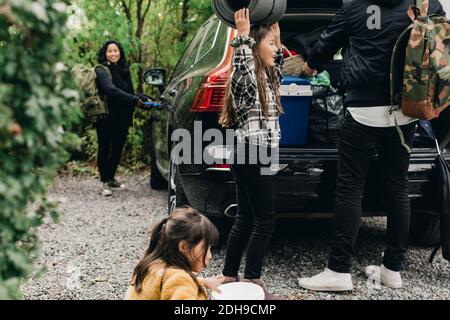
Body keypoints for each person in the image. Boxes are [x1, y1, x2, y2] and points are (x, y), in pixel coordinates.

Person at [299, 0, 446, 291]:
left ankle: (339, 270)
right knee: (398, 187)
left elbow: (326, 44)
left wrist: (309, 65)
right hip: (405, 110)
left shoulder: (354, 6)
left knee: (350, 187)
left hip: (363, 110)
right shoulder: (423, 4)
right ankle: (392, 269)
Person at [218, 8, 285, 300]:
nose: (275, 49)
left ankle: (229, 275)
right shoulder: (245, 81)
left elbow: (279, 62)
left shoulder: (268, 77)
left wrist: (276, 36)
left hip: (252, 153)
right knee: (265, 220)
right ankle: (253, 280)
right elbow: (242, 67)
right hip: (252, 153)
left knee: (245, 218)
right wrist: (242, 36)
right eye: (269, 44)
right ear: (255, 48)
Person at [124, 206, 224, 300]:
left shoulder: (152, 264)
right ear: (184, 247)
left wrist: (204, 282)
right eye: (206, 248)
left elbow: (172, 280)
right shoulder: (179, 280)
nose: (210, 255)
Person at [95, 40, 149, 196]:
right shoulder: (102, 70)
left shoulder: (124, 70)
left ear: (120, 52)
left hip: (122, 117)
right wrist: (134, 100)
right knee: (105, 147)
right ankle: (104, 182)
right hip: (105, 117)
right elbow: (111, 91)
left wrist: (144, 99)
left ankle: (111, 178)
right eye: (110, 51)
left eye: (116, 50)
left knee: (118, 147)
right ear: (105, 53)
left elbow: (130, 92)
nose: (113, 54)